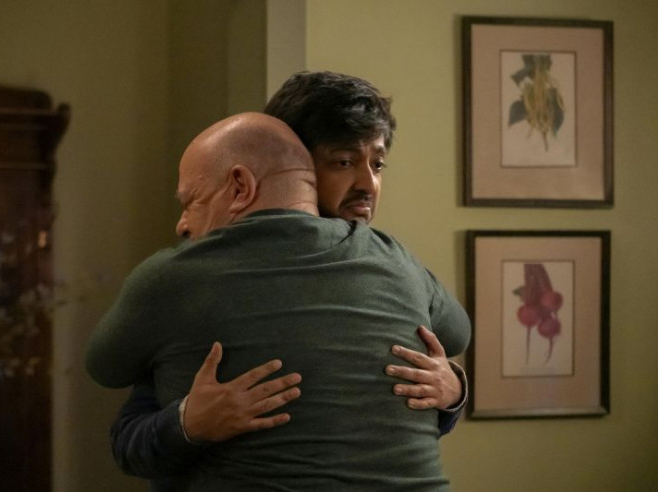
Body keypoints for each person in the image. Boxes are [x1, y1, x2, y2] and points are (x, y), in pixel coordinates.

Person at [109, 71, 470, 483]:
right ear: (293, 160)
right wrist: (187, 424)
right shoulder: (196, 280)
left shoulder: (393, 263)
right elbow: (131, 438)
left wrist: (453, 392)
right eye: (344, 162)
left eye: (378, 164)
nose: (368, 184)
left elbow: (395, 422)